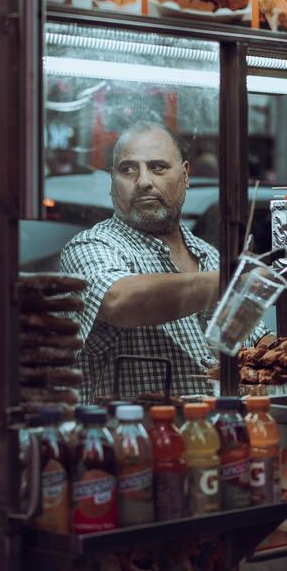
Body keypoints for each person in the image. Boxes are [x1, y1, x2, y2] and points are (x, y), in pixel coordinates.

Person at [58, 120, 224, 404]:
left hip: (212, 439)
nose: (144, 181)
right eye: (128, 169)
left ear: (185, 175)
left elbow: (254, 342)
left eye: (157, 167)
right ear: (113, 181)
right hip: (127, 441)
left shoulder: (210, 256)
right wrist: (229, 281)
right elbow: (120, 301)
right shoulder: (90, 247)